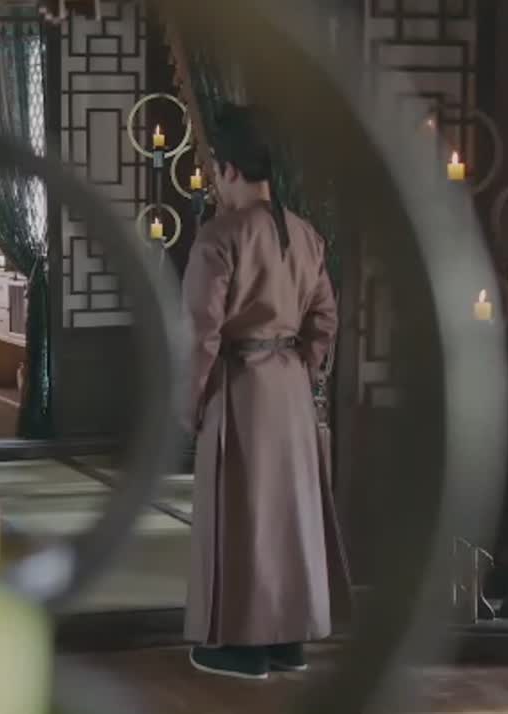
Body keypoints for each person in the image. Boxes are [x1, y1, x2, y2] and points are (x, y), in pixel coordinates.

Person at [182, 103, 338, 680]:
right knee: (288, 516)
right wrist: (300, 370)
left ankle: (242, 648)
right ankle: (289, 642)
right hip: (290, 388)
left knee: (243, 515)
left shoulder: (220, 236)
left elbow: (200, 332)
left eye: (216, 172)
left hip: (240, 385)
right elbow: (325, 319)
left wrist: (191, 403)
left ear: (228, 169)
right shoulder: (305, 234)